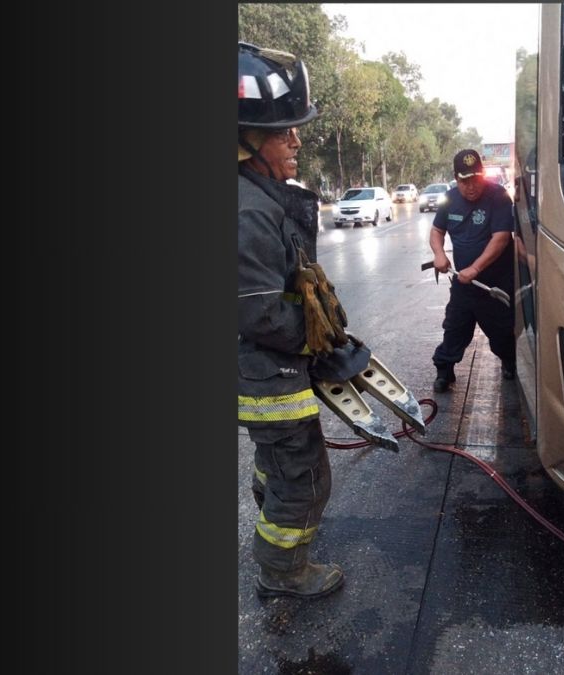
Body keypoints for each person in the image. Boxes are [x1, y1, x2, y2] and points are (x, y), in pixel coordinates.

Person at [236, 42, 343, 599]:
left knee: (277, 465)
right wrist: (317, 341)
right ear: (246, 141)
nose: (297, 140)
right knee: (303, 480)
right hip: (267, 376)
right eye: (284, 133)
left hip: (270, 374)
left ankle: (273, 505)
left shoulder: (259, 197)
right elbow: (257, 309)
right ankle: (284, 573)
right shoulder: (248, 210)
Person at [428, 149, 517, 392]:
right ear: (456, 178)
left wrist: (476, 268)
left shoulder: (498, 196)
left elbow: (501, 238)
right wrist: (439, 254)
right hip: (464, 284)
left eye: (475, 179)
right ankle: (444, 371)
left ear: (483, 174)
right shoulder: (449, 198)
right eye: (464, 180)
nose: (471, 186)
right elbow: (437, 231)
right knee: (454, 328)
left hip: (494, 284)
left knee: (501, 332)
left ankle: (510, 361)